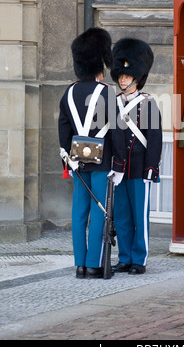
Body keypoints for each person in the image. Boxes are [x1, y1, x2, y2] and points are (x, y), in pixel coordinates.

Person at [58, 28, 126, 279]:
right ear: (101, 63)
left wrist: (66, 161)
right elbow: (117, 132)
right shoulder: (107, 92)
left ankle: (79, 265)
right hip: (102, 161)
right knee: (100, 211)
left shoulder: (68, 93)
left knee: (79, 213)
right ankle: (93, 265)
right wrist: (118, 164)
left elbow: (63, 132)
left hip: (77, 161)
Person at [110, 38, 162, 275]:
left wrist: (151, 167)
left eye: (127, 75)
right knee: (121, 216)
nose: (122, 78)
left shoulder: (148, 104)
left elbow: (154, 139)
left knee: (139, 218)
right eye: (120, 75)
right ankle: (125, 257)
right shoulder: (113, 104)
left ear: (137, 77)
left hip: (140, 168)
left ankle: (139, 260)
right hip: (120, 170)